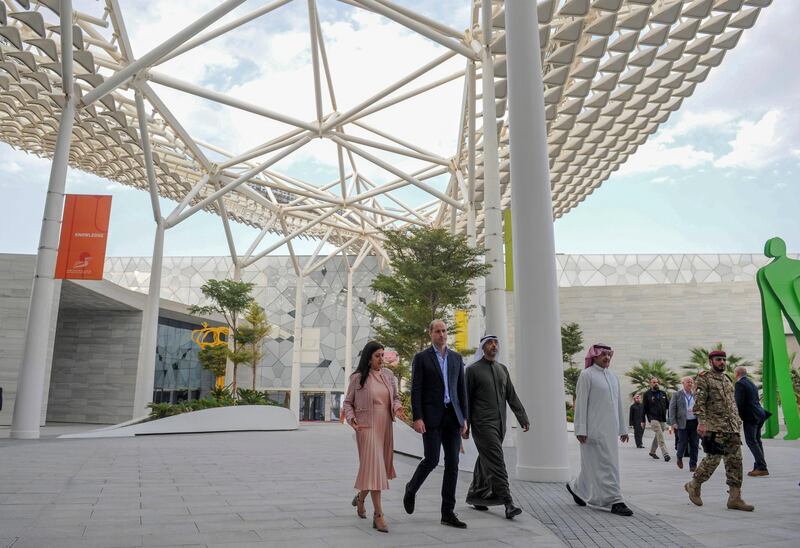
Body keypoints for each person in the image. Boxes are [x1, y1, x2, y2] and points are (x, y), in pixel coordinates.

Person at [404, 319, 469, 529]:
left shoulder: (457, 359)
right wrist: (418, 417)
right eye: (438, 331)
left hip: (453, 418)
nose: (442, 334)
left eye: (444, 331)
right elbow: (416, 389)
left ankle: (447, 512)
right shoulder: (422, 358)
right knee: (431, 459)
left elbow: (462, 391)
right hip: (431, 417)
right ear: (431, 333)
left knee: (453, 464)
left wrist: (464, 418)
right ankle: (411, 489)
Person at [464, 335, 529, 519]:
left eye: (495, 343)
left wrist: (522, 416)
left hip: (500, 424)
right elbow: (466, 400)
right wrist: (466, 424)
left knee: (487, 460)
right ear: (482, 348)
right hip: (482, 425)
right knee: (497, 461)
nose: (494, 346)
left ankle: (476, 496)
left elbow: (511, 395)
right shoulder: (472, 370)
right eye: (489, 343)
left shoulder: (502, 370)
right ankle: (508, 503)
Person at [343, 341, 405, 533]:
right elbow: (347, 403)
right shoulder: (358, 378)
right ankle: (378, 515)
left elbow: (395, 398)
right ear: (369, 358)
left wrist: (398, 407)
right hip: (366, 427)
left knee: (375, 470)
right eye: (377, 355)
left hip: (385, 426)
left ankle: (361, 499)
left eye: (382, 355)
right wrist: (352, 419)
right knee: (375, 469)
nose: (381, 359)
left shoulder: (388, 376)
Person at [566, 344, 634, 517]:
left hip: (610, 431)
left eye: (609, 355)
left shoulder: (613, 377)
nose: (607, 358)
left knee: (593, 465)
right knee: (606, 465)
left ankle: (577, 488)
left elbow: (618, 404)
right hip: (593, 430)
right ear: (594, 356)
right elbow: (580, 403)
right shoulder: (586, 375)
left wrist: (623, 429)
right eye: (603, 355)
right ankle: (615, 501)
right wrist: (580, 429)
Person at [684, 350, 754, 511]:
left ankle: (735, 498)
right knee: (713, 459)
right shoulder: (704, 378)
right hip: (714, 427)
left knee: (735, 462)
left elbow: (732, 404)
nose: (722, 362)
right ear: (710, 361)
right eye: (718, 359)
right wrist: (702, 423)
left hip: (732, 427)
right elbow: (699, 403)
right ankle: (694, 485)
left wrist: (737, 422)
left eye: (723, 359)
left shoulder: (728, 379)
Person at [734, 366, 770, 477]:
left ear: (737, 374)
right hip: (760, 414)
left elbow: (738, 402)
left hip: (751, 417)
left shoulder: (739, 384)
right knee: (757, 441)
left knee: (751, 441)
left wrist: (736, 417)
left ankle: (762, 467)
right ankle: (758, 466)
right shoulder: (751, 383)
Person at [669, 377, 700, 471]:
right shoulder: (677, 394)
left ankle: (693, 465)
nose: (690, 384)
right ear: (683, 383)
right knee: (682, 442)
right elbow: (672, 409)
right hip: (682, 422)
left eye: (691, 382)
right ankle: (679, 457)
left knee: (695, 444)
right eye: (688, 382)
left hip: (694, 422)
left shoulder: (696, 395)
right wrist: (673, 422)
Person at [642, 377, 671, 462]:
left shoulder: (663, 393)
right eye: (654, 382)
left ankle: (652, 451)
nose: (656, 383)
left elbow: (668, 406)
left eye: (657, 382)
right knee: (660, 435)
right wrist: (642, 421)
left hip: (662, 418)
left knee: (658, 435)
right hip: (653, 418)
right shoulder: (647, 394)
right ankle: (665, 454)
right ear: (650, 383)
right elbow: (644, 408)